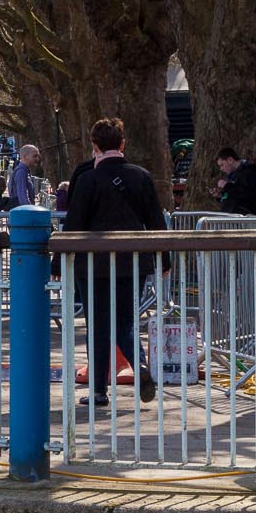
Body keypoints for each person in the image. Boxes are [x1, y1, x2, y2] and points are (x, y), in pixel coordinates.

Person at [61, 118, 167, 408]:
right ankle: (140, 365)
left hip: (93, 265)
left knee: (97, 325)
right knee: (126, 322)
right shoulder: (142, 176)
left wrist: (58, 264)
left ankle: (98, 391)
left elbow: (73, 227)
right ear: (123, 144)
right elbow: (156, 221)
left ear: (94, 145)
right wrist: (164, 259)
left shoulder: (86, 179)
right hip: (133, 262)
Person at [216, 147, 256, 215]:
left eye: (222, 165)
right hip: (232, 219)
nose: (221, 169)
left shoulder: (249, 172)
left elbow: (248, 195)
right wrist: (220, 196)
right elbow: (233, 195)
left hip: (245, 219)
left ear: (230, 160)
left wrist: (227, 186)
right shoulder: (232, 176)